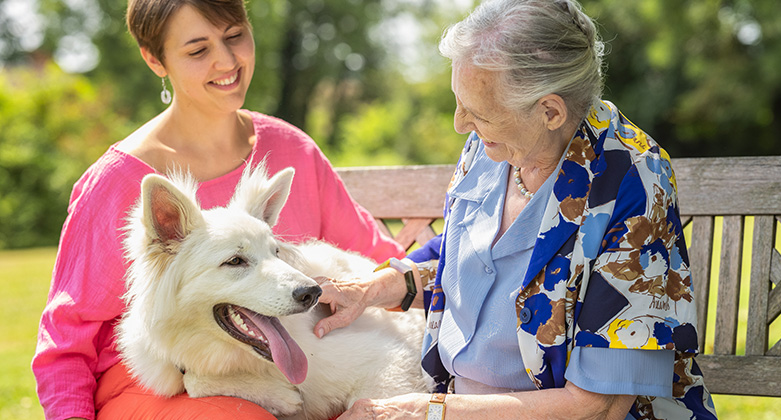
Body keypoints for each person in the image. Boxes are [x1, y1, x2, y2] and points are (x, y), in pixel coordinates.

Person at [314, 0, 718, 418]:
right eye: (460, 102)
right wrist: (369, 290)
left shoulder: (633, 179)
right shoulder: (495, 146)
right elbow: (469, 262)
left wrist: (428, 412)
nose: (459, 124)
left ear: (549, 111)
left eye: (478, 113)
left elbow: (598, 406)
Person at [31, 1, 403, 419]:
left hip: (291, 364)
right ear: (156, 59)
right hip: (155, 383)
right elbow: (64, 346)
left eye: (234, 36)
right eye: (197, 50)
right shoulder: (118, 180)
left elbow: (377, 259)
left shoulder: (292, 148)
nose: (227, 61)